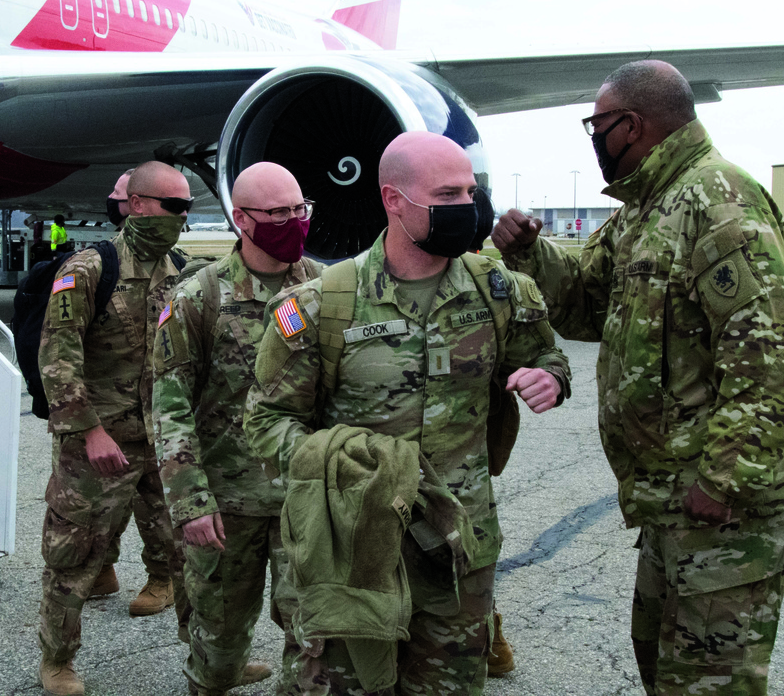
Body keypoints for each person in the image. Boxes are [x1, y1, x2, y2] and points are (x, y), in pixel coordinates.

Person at [492, 60, 784, 695]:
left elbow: (774, 363)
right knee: (663, 666)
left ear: (631, 125)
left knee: (709, 683)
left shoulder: (718, 201)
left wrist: (723, 480)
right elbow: (587, 305)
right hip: (673, 500)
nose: (593, 138)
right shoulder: (646, 210)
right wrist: (528, 252)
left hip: (723, 508)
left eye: (597, 125)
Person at [245, 131, 571, 695]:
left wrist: (551, 378)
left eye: (471, 192)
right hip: (353, 550)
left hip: (456, 549)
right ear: (394, 200)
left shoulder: (500, 292)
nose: (466, 208)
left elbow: (546, 353)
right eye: (447, 195)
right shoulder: (319, 305)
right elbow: (267, 419)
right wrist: (338, 463)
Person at [153, 161, 322, 696]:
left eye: (301, 209)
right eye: (278, 213)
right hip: (227, 506)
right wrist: (190, 503)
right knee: (219, 653)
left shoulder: (325, 289)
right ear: (241, 219)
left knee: (316, 640)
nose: (294, 221)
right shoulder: (199, 297)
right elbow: (169, 405)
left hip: (305, 499)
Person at [36, 161, 192, 696]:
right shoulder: (88, 269)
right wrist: (88, 431)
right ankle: (57, 660)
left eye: (187, 208)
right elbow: (58, 357)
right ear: (140, 205)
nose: (182, 217)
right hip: (99, 441)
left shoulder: (183, 270)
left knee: (186, 549)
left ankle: (213, 660)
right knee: (73, 552)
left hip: (163, 438)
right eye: (174, 207)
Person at [84, 166, 188, 628]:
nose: (112, 201)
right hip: (106, 418)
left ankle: (161, 579)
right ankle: (101, 569)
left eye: (118, 194)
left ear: (137, 203)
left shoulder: (180, 266)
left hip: (158, 419)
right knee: (96, 508)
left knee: (158, 508)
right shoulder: (96, 265)